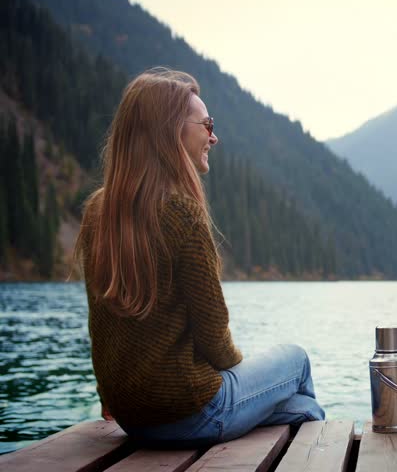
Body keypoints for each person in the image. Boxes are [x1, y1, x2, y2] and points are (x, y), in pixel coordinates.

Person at [74, 68, 324, 447]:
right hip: (191, 411)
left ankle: (303, 417)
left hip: (132, 419)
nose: (214, 136)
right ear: (170, 130)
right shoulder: (180, 212)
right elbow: (215, 339)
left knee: (299, 405)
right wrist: (241, 378)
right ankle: (317, 456)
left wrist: (108, 392)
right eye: (207, 124)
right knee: (297, 361)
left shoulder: (98, 210)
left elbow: (102, 326)